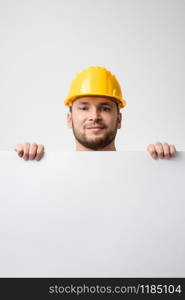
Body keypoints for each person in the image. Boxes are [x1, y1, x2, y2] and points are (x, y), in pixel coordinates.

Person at [14, 66, 176, 160]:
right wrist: (24, 164)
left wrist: (165, 166)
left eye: (105, 108)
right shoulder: (48, 174)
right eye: (84, 108)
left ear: (119, 120)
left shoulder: (146, 174)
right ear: (69, 119)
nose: (94, 116)